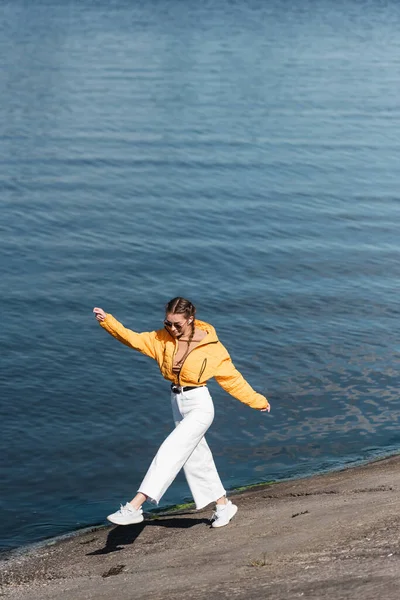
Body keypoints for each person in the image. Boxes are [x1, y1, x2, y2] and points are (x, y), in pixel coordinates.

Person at [93, 297, 270, 529]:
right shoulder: (161, 338)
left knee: (172, 449)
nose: (173, 329)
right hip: (177, 402)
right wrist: (109, 322)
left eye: (178, 324)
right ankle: (224, 505)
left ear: (191, 319)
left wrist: (256, 400)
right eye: (168, 323)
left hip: (200, 405)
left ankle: (135, 505)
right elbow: (133, 339)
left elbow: (232, 379)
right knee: (197, 459)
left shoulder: (212, 347)